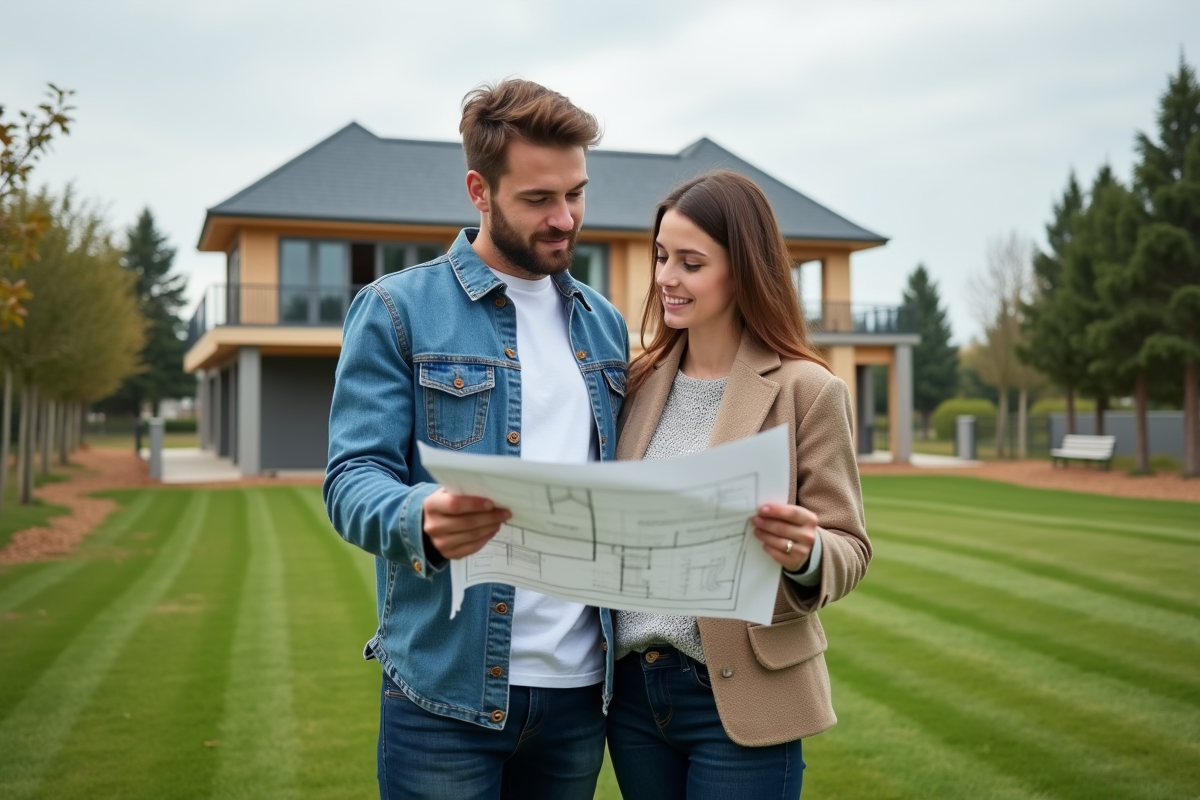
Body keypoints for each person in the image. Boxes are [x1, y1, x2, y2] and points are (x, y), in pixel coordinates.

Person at [323, 79, 628, 800]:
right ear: (478, 190)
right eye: (538, 200)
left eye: (576, 194)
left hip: (580, 694)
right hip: (444, 698)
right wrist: (420, 517)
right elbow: (351, 478)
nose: (565, 219)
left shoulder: (605, 326)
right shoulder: (397, 310)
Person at [606, 171, 871, 799]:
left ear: (743, 269)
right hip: (635, 699)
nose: (666, 277)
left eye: (691, 263)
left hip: (743, 694)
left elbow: (849, 546)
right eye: (662, 257)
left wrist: (806, 554)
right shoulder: (635, 382)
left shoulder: (810, 390)